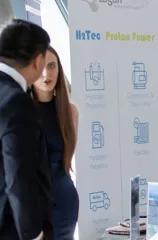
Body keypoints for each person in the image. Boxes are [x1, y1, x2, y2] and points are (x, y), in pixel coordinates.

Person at [0, 19, 53, 240]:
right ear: (37, 60)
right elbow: (19, 177)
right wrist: (33, 234)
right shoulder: (16, 102)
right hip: (12, 227)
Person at [29, 46, 79, 240]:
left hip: (65, 201)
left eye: (51, 66)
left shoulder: (70, 112)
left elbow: (67, 159)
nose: (46, 73)